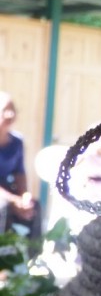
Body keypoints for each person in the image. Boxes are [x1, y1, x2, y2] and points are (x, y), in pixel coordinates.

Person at [0, 92, 42, 247]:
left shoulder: (17, 141)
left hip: (8, 189)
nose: (10, 114)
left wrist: (24, 196)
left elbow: (20, 173)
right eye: (5, 109)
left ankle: (30, 254)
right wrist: (13, 200)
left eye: (13, 109)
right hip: (3, 196)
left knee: (34, 205)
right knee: (2, 206)